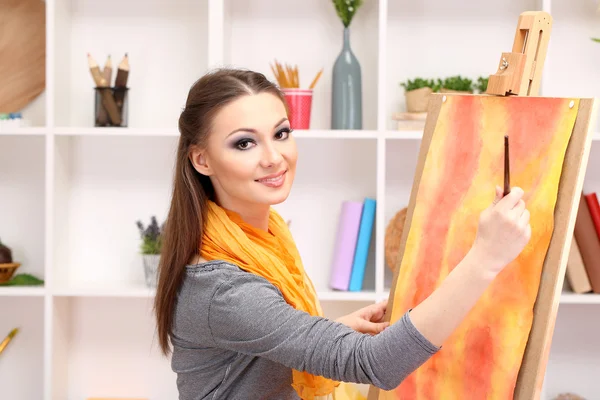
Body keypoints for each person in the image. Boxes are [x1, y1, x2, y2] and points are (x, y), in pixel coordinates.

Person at [154, 68, 531, 400]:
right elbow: (376, 364)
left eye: (281, 133)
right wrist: (486, 258)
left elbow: (249, 354)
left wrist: (328, 332)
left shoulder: (259, 237)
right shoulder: (224, 289)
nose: (273, 157)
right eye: (244, 142)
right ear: (201, 159)